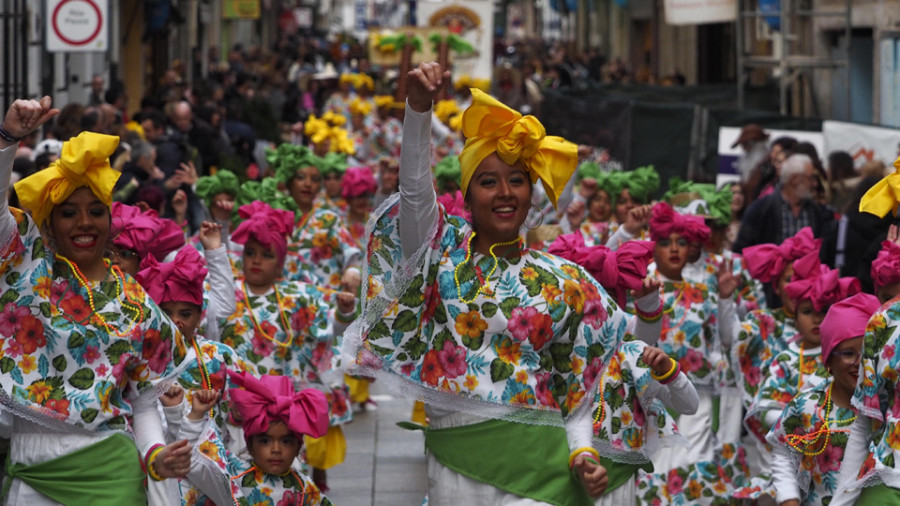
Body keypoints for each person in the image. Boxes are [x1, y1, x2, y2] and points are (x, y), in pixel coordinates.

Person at [342, 62, 630, 504]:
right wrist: (418, 110)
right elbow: (416, 194)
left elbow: (583, 379)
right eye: (488, 182)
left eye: (517, 180)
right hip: (456, 466)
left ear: (532, 194)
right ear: (468, 193)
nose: (504, 193)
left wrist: (583, 452)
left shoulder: (563, 281)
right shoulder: (441, 255)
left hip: (541, 463)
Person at [0, 97, 191, 503]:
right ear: (49, 224)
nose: (84, 223)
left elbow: (144, 403)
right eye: (69, 212)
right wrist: (8, 139)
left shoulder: (137, 302)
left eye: (95, 211)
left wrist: (156, 457)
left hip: (112, 471)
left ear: (110, 221)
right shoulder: (26, 265)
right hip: (33, 472)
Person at [767, 293, 879, 506]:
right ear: (828, 361)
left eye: (867, 353)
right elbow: (782, 449)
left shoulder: (887, 407)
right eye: (848, 353)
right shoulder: (808, 405)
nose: (859, 363)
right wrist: (788, 498)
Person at [177, 374, 334, 505]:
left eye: (286, 441)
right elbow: (191, 462)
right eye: (265, 441)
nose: (276, 450)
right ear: (250, 444)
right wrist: (195, 416)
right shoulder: (233, 476)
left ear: (298, 447)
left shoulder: (304, 487)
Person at [732, 154, 835, 253]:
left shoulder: (815, 212)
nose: (814, 183)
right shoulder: (760, 209)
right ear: (795, 179)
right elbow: (742, 249)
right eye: (810, 178)